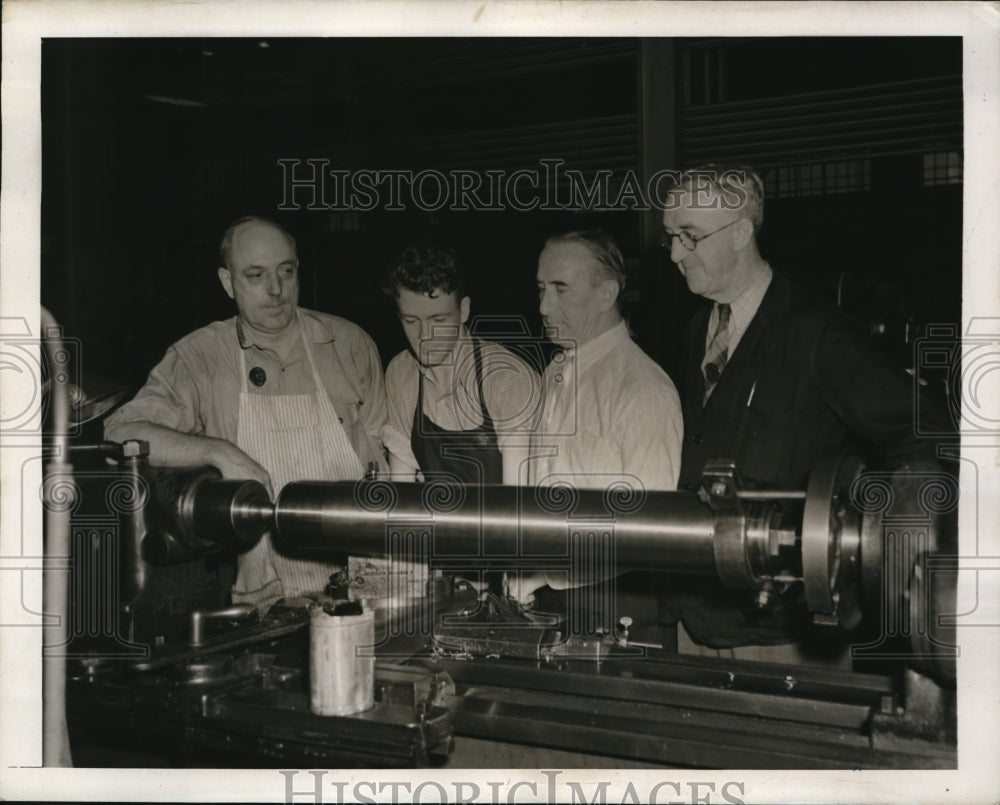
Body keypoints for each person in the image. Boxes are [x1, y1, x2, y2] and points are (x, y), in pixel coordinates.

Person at [660, 164, 945, 659]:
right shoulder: (695, 331)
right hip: (701, 615)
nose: (675, 254)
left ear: (742, 233)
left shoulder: (817, 334)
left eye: (690, 236)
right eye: (670, 237)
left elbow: (925, 430)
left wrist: (880, 539)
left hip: (782, 633)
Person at [104, 216, 388, 611]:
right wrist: (217, 451)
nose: (276, 290)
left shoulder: (349, 343)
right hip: (265, 604)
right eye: (255, 276)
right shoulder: (200, 357)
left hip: (364, 591)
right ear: (227, 282)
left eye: (285, 272)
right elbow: (120, 433)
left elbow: (390, 468)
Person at [522, 230, 683, 612]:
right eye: (542, 288)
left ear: (607, 295)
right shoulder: (556, 371)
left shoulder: (643, 389)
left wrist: (546, 574)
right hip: (551, 592)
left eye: (561, 290)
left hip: (618, 601)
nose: (544, 306)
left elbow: (648, 530)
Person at [381, 246, 540, 487]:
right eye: (411, 321)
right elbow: (401, 487)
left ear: (463, 310)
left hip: (503, 519)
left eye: (438, 320)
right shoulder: (400, 372)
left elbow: (517, 499)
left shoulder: (505, 377)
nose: (425, 335)